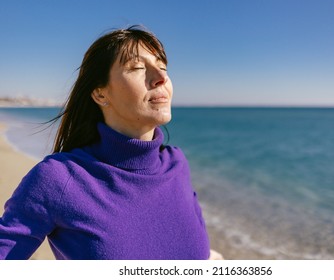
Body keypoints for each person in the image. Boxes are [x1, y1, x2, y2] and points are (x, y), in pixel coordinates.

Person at [0, 25, 222, 260]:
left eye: (162, 67)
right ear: (101, 94)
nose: (161, 78)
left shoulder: (176, 163)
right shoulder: (58, 178)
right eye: (137, 67)